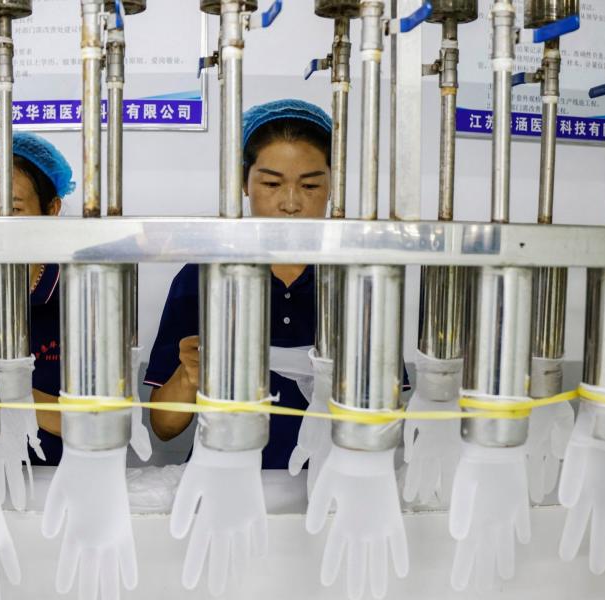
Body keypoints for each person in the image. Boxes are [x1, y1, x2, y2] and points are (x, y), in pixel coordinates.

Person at [145, 99, 409, 469]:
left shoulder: (358, 282)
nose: (290, 203)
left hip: (328, 482)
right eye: (271, 183)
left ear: (334, 184)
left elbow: (389, 416)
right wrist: (189, 376)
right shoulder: (203, 277)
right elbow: (165, 427)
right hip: (226, 476)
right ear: (243, 183)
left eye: (311, 185)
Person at [0, 132, 76, 466]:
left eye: (12, 209)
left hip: (56, 483)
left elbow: (98, 424)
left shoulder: (80, 300)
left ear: (52, 209)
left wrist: (8, 394)